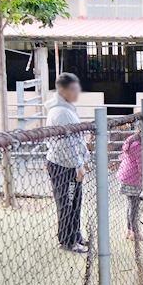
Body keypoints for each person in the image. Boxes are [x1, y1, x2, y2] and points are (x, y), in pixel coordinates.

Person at [45, 73, 89, 253]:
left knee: (74, 202)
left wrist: (83, 159)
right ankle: (68, 240)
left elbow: (77, 139)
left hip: (70, 163)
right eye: (74, 88)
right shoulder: (61, 112)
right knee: (67, 203)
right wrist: (78, 164)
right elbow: (67, 144)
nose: (77, 92)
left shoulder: (66, 109)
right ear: (63, 90)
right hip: (64, 166)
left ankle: (75, 234)